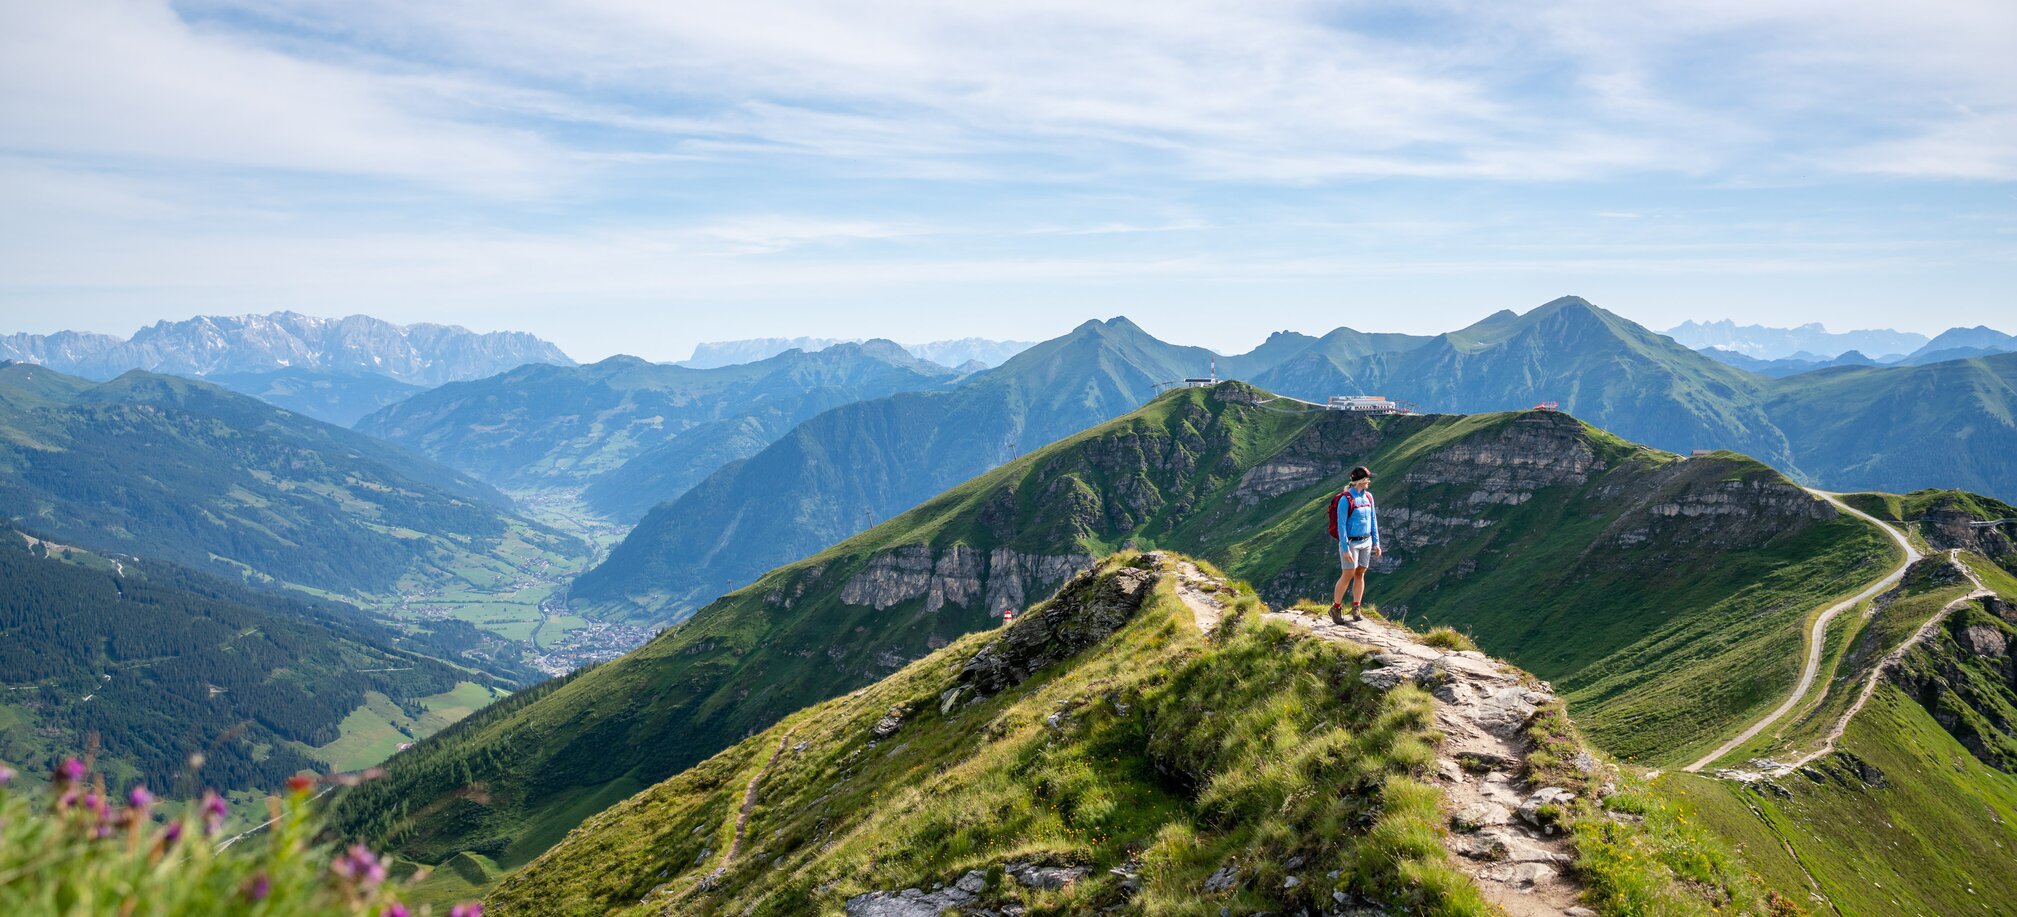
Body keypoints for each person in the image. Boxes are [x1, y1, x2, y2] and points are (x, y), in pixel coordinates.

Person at [1330, 466, 1381, 624]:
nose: (1369, 481)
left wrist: (1376, 543)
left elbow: (1373, 520)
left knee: (1360, 573)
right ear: (1360, 481)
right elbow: (1341, 525)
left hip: (1366, 541)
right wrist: (1345, 548)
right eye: (1367, 479)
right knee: (1348, 574)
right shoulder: (1346, 499)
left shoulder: (1369, 497)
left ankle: (1356, 607)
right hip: (1351, 542)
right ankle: (1336, 607)